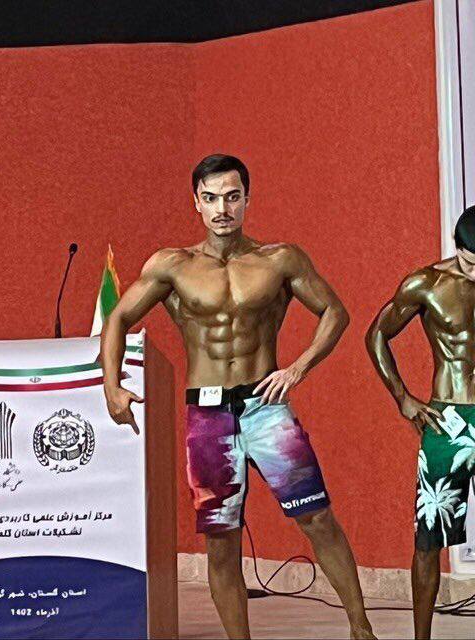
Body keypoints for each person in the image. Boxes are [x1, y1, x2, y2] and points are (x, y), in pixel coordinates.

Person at [100, 154, 375, 639]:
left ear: (247, 198)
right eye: (211, 198)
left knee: (316, 517)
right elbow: (119, 317)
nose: (222, 208)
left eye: (231, 197)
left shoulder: (280, 259)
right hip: (207, 415)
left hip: (266, 407)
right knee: (221, 541)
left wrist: (298, 367)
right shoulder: (172, 265)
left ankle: (361, 629)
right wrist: (111, 386)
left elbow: (335, 311)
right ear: (196, 203)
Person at [366, 205, 475, 640]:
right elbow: (377, 333)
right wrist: (403, 398)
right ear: (457, 248)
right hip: (449, 420)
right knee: (428, 540)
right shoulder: (427, 283)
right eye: (470, 263)